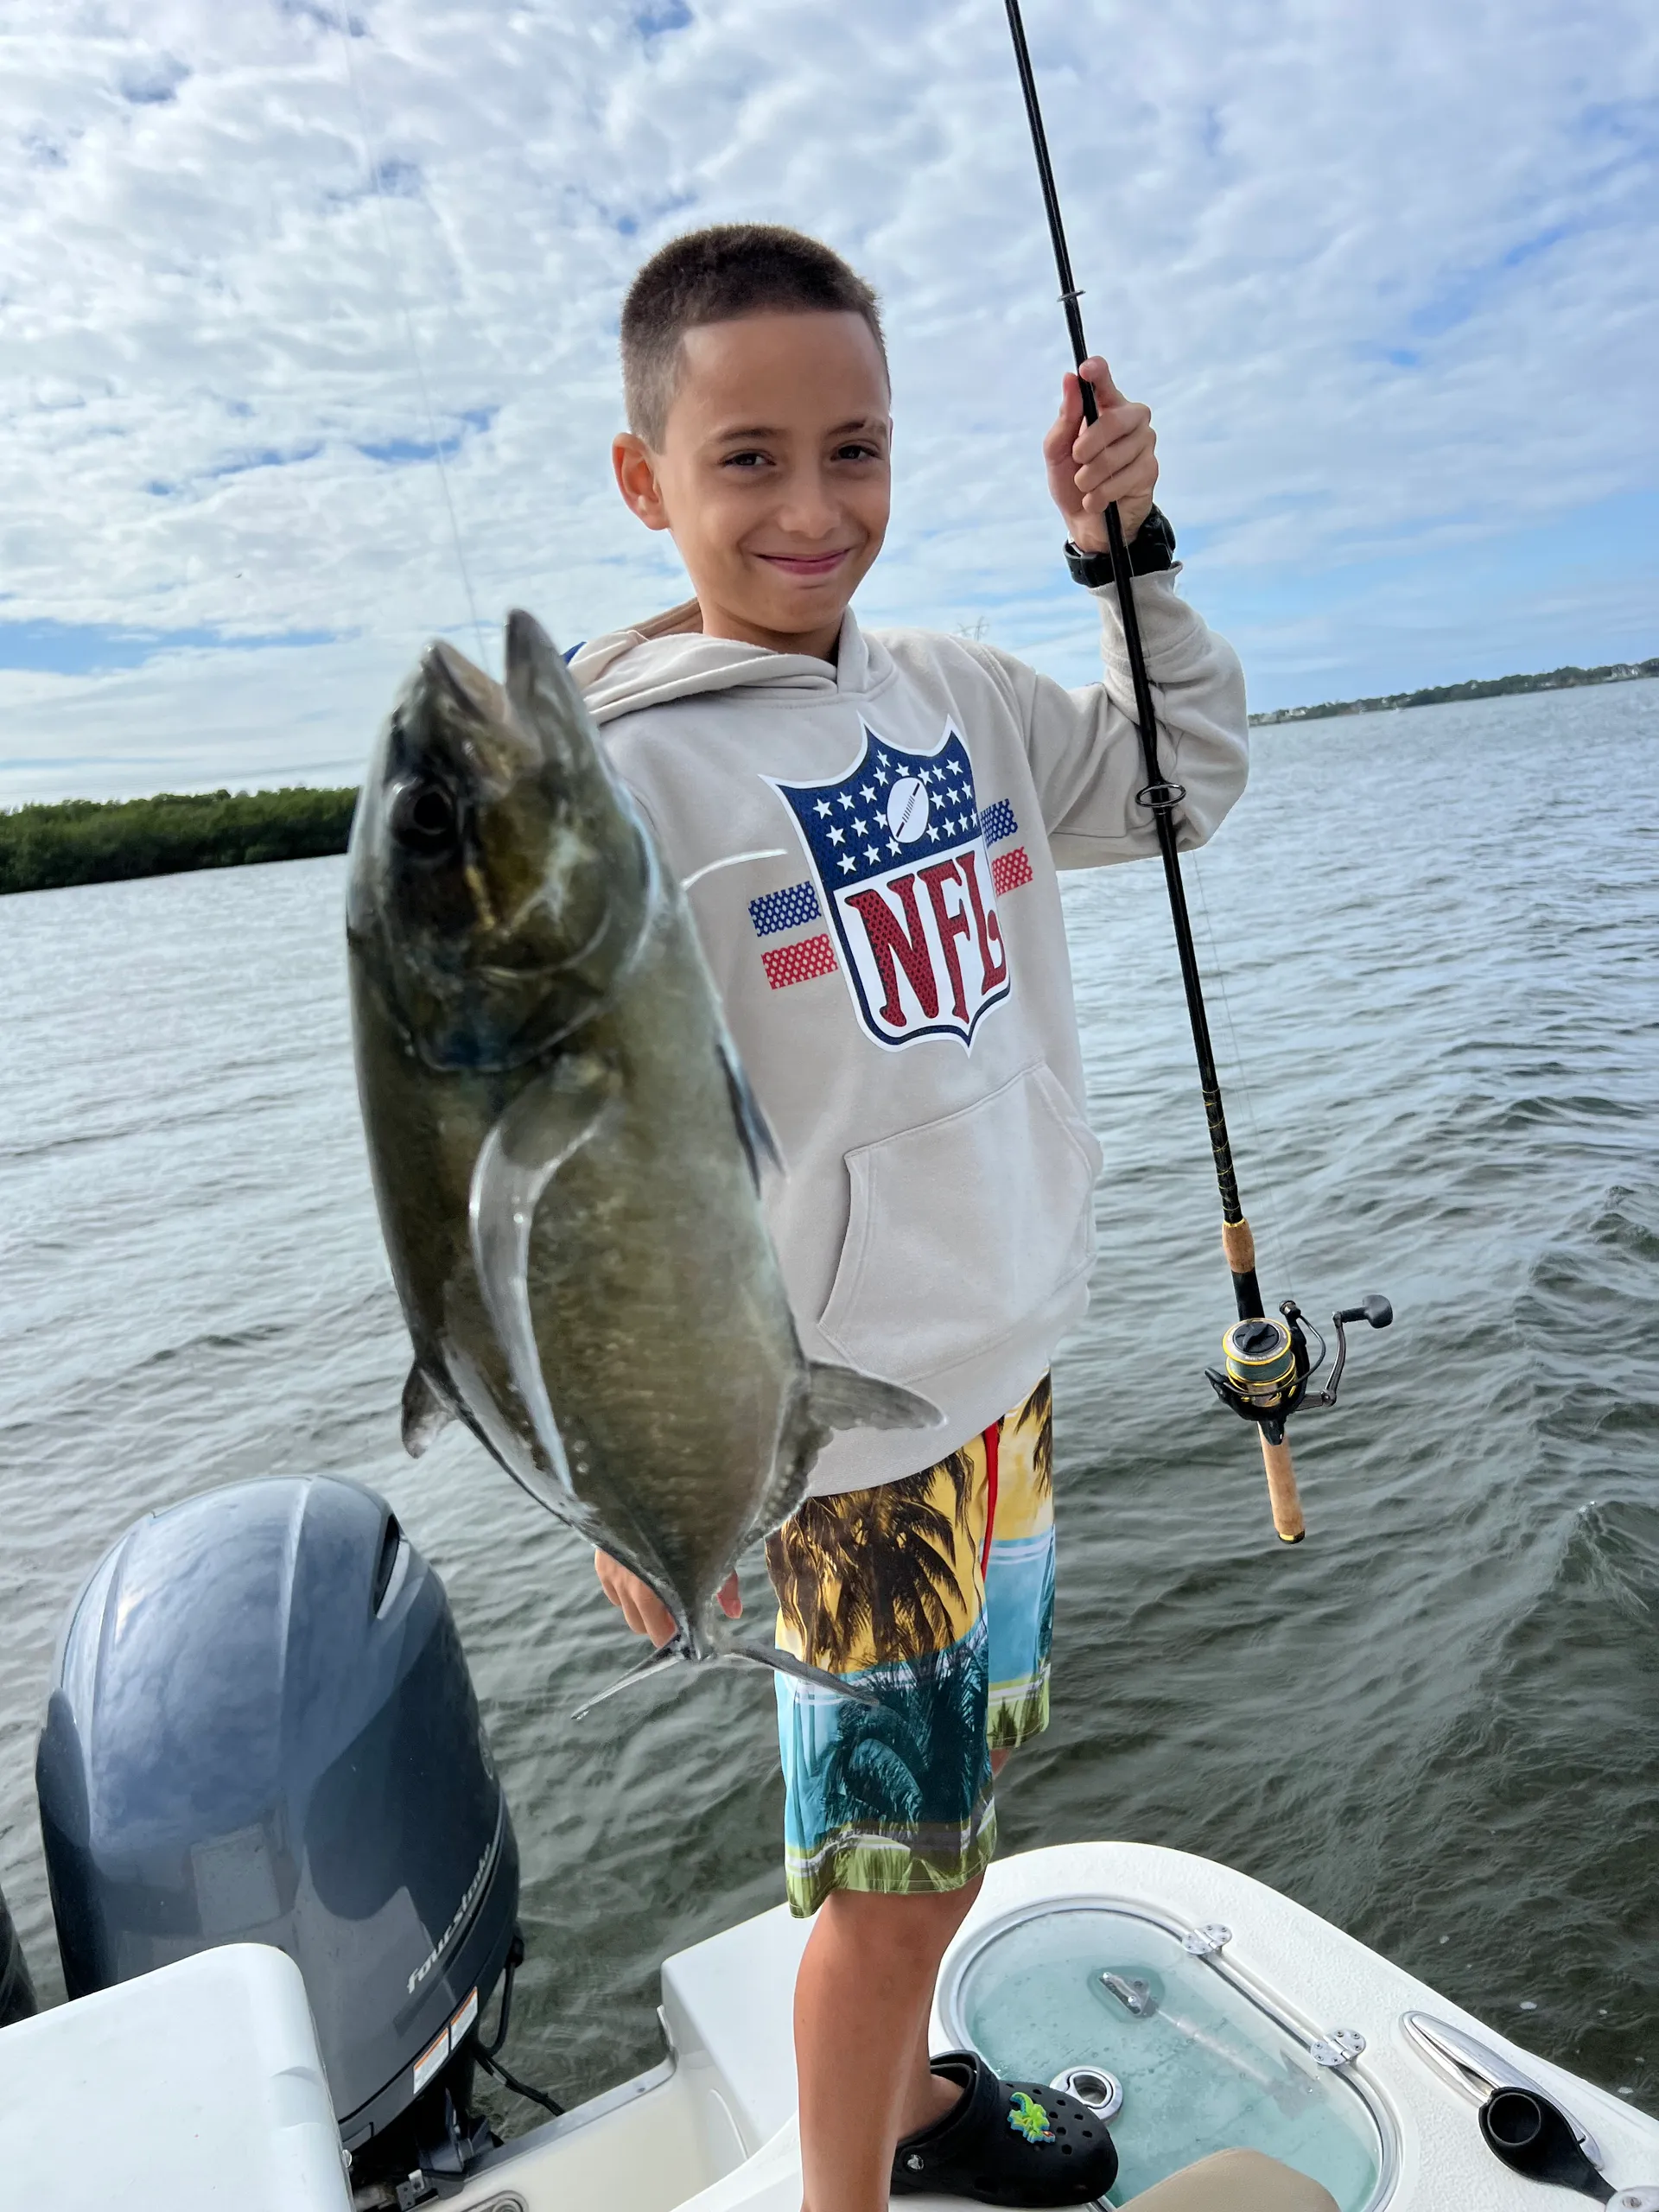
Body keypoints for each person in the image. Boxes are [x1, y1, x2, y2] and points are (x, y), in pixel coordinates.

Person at [573, 225, 1248, 2212]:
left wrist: (1132, 563)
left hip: (1001, 1377)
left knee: (950, 1823)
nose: (812, 505)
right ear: (648, 480)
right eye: (750, 456)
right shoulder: (620, 779)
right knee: (883, 1888)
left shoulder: (958, 693)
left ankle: (922, 2104)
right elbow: (555, 1171)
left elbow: (1181, 788)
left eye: (853, 448)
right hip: (840, 1440)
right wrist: (629, 1476)